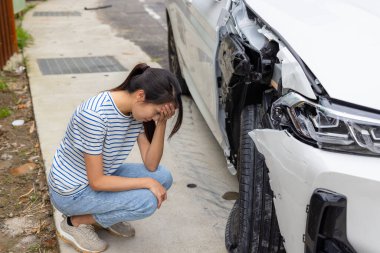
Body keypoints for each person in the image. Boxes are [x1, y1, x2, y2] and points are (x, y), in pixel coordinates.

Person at [47, 63, 183, 252]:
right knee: (147, 201)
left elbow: (151, 165)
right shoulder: (95, 116)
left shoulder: (135, 112)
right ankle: (75, 222)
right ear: (141, 95)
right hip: (72, 193)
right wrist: (147, 183)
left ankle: (107, 214)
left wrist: (161, 123)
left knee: (163, 176)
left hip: (98, 177)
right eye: (157, 112)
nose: (154, 117)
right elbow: (97, 181)